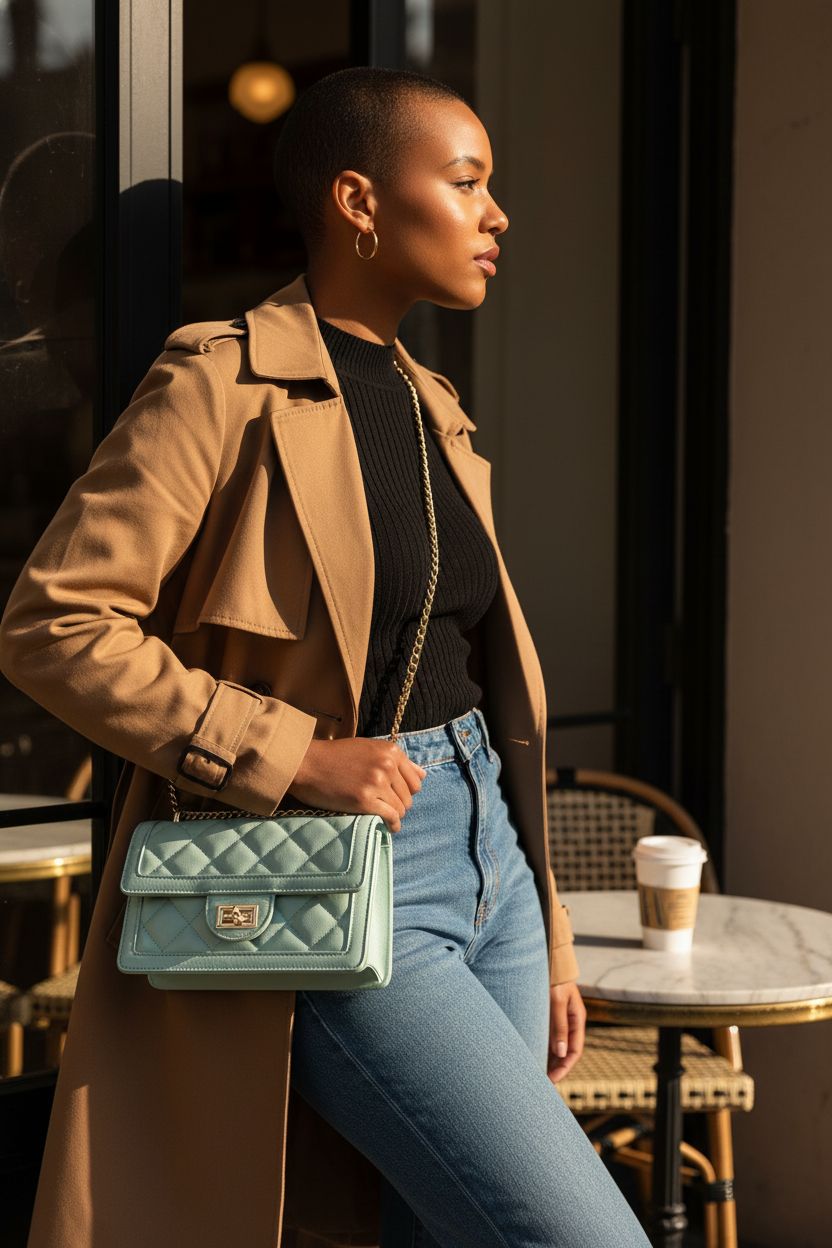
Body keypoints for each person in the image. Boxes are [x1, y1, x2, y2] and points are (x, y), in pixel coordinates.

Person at [0, 67, 651, 1248]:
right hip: (345, 878)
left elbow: (477, 676)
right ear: (359, 199)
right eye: (466, 181)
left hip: (489, 863)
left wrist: (544, 913)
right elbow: (55, 626)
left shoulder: (434, 407)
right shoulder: (221, 381)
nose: (496, 214)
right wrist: (294, 754)